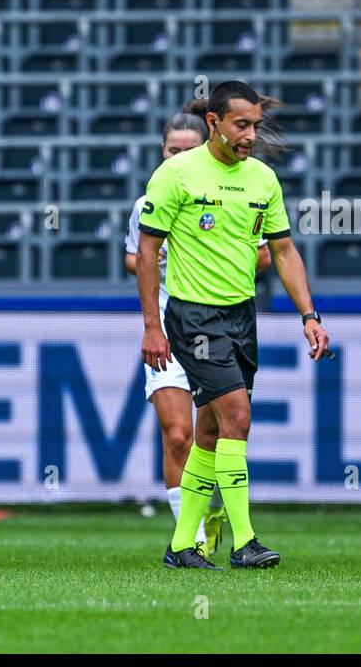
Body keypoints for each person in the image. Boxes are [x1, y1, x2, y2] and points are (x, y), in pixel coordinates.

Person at [138, 80, 330, 570]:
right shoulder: (176, 174)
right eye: (240, 125)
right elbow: (146, 252)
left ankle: (182, 545)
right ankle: (244, 540)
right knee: (237, 418)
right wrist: (152, 327)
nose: (249, 135)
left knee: (207, 433)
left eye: (254, 126)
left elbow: (284, 250)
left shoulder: (263, 178)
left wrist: (308, 315)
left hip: (241, 317)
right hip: (193, 316)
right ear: (213, 123)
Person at [125, 102, 272, 558]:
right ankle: (194, 534)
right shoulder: (153, 197)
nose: (178, 157)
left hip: (220, 320)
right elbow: (135, 256)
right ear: (162, 148)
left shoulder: (233, 186)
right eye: (172, 149)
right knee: (177, 434)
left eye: (187, 149)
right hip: (173, 323)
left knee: (215, 431)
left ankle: (194, 534)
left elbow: (266, 251)